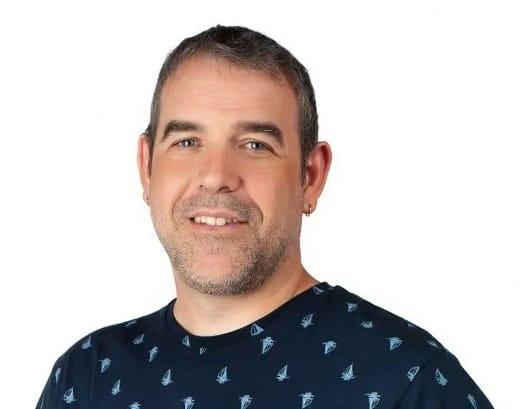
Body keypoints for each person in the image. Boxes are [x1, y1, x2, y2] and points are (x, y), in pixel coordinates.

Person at [35, 25, 495, 409]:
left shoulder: (408, 381)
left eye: (255, 145)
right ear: (146, 167)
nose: (216, 176)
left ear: (310, 177)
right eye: (187, 142)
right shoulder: (86, 378)